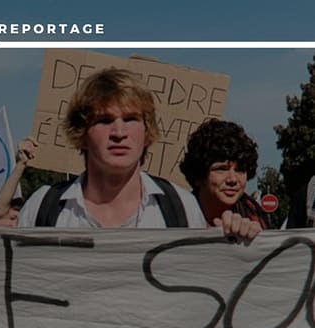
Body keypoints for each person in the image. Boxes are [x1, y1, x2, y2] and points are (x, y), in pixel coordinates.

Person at [17, 67, 260, 242]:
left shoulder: (181, 208)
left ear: (148, 131)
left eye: (131, 119)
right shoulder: (43, 207)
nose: (119, 132)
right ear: (82, 134)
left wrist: (238, 248)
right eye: (104, 120)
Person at [179, 118, 268, 229]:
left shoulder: (256, 217)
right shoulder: (176, 217)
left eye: (239, 170)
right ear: (198, 176)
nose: (232, 179)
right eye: (221, 169)